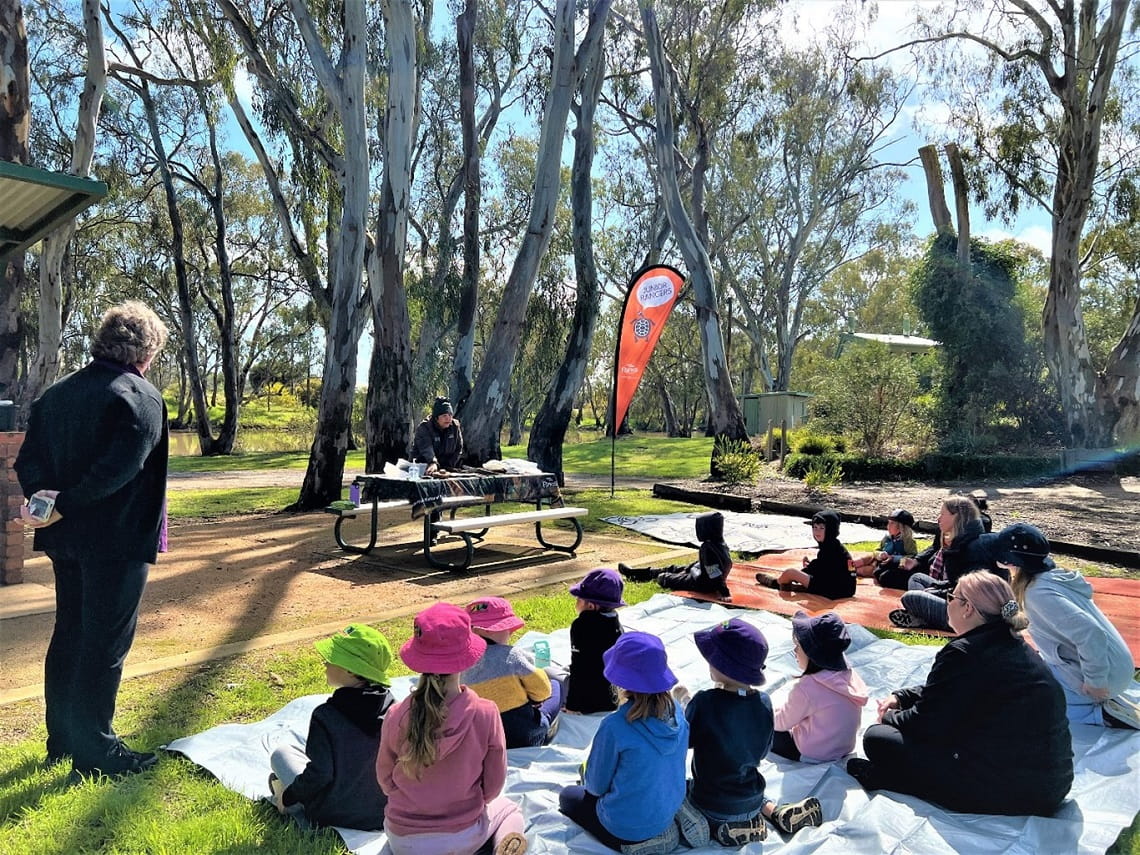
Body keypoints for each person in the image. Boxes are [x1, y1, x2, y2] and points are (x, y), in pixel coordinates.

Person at [15, 301, 169, 777]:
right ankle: (96, 751)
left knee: (71, 635)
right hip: (117, 542)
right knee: (104, 644)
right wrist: (67, 502)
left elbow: (27, 462)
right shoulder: (139, 397)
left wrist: (43, 504)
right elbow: (119, 470)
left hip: (65, 539)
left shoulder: (56, 396)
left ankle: (62, 740)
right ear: (146, 351)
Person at [848, 571, 1074, 816]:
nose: (947, 603)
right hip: (1051, 785)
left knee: (878, 738)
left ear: (968, 609)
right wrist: (903, 697)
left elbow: (926, 723)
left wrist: (889, 716)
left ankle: (897, 781)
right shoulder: (1011, 644)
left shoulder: (965, 652)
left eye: (951, 597)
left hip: (1008, 790)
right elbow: (953, 687)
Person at [375, 602, 528, 855]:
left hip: (404, 839)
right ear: (468, 657)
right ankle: (504, 843)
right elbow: (493, 786)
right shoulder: (485, 712)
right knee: (510, 809)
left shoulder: (396, 714)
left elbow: (386, 779)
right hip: (463, 836)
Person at [672, 618, 822, 847]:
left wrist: (683, 702)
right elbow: (762, 752)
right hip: (750, 797)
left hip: (711, 801)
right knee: (751, 790)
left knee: (681, 791)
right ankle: (776, 813)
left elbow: (685, 740)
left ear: (723, 665)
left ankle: (720, 829)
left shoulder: (705, 702)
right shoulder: (764, 701)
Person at [994, 523, 1138, 729]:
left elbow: (1090, 633)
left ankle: (1099, 713)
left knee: (1028, 702)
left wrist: (1095, 682)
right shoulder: (1052, 577)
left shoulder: (1039, 593)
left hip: (1105, 677)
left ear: (1010, 560)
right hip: (1115, 667)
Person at [559, 632, 688, 854]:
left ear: (620, 680)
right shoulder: (678, 711)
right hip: (666, 811)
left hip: (623, 828)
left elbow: (596, 786)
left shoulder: (615, 726)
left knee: (568, 796)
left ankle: (639, 844)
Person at [268, 624, 394, 830]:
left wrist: (288, 797)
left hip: (333, 814)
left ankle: (285, 801)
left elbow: (320, 774)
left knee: (281, 754)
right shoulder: (394, 708)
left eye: (332, 658)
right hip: (382, 811)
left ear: (351, 670)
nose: (325, 663)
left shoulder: (326, 715)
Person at [461, 596, 562, 748]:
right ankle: (547, 726)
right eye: (506, 628)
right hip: (523, 736)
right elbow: (543, 690)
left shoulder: (459, 662)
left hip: (483, 738)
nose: (510, 633)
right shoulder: (513, 656)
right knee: (555, 686)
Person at [889, 496, 1000, 630]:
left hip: (971, 615)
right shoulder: (962, 539)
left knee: (910, 597)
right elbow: (954, 583)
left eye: (942, 514)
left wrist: (935, 593)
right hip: (958, 598)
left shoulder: (972, 547)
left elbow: (968, 593)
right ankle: (924, 614)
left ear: (956, 517)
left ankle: (926, 618)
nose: (938, 519)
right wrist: (935, 588)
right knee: (916, 578)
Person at [771, 611, 868, 763]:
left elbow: (783, 722)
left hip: (812, 753)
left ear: (813, 655)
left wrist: (767, 714)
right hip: (844, 748)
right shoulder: (849, 675)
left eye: (798, 646)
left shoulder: (808, 687)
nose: (794, 651)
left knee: (763, 727)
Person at [618, 511, 732, 600]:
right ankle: (633, 573)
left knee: (663, 577)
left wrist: (724, 592)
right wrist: (689, 568)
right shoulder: (720, 543)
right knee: (673, 568)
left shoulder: (708, 548)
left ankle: (637, 575)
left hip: (700, 583)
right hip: (701, 576)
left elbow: (714, 573)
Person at [564, 568, 625, 714]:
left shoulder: (582, 626)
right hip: (613, 695)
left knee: (551, 677)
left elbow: (580, 668)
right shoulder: (614, 621)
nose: (576, 602)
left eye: (579, 599)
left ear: (591, 605)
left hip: (590, 701)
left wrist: (573, 706)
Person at [755, 510, 855, 599]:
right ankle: (792, 586)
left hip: (835, 590)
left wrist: (802, 573)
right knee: (802, 576)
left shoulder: (832, 549)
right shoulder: (833, 547)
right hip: (841, 588)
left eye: (821, 528)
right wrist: (810, 567)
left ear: (831, 530)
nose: (817, 531)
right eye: (815, 527)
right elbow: (824, 567)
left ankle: (776, 583)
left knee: (790, 573)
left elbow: (822, 567)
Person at [851, 509, 918, 588]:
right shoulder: (887, 538)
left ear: (901, 527)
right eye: (888, 523)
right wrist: (880, 554)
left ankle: (850, 573)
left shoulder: (908, 542)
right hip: (879, 559)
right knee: (863, 559)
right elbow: (877, 550)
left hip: (888, 566)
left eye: (892, 523)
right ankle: (847, 566)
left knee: (862, 570)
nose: (888, 526)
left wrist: (894, 558)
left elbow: (912, 557)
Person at [412, 396, 464, 474]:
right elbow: (426, 448)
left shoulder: (455, 426)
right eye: (444, 416)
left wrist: (449, 466)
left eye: (450, 415)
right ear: (436, 418)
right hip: (421, 468)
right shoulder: (425, 427)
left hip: (444, 469)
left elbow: (458, 448)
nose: (448, 419)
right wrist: (432, 463)